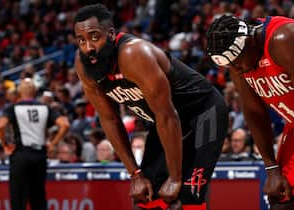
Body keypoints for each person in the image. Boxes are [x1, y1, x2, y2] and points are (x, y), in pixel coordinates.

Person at [73, 4, 228, 210]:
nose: (88, 47)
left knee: (189, 194)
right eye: (81, 40)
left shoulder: (134, 54)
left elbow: (168, 115)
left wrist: (174, 177)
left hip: (202, 114)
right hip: (164, 122)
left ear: (110, 34)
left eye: (94, 37)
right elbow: (109, 119)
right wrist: (135, 174)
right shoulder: (85, 65)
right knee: (147, 196)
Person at [206, 15, 294, 209]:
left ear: (250, 40)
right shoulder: (239, 60)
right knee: (281, 199)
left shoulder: (286, 39)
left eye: (238, 63)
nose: (237, 69)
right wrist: (271, 168)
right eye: (231, 66)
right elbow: (254, 113)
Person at [0, 78, 70, 210]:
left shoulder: (14, 108)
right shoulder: (45, 108)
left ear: (19, 92)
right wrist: (53, 143)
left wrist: (5, 145)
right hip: (40, 155)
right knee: (38, 197)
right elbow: (65, 124)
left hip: (20, 155)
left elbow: (0, 126)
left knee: (18, 198)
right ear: (35, 91)